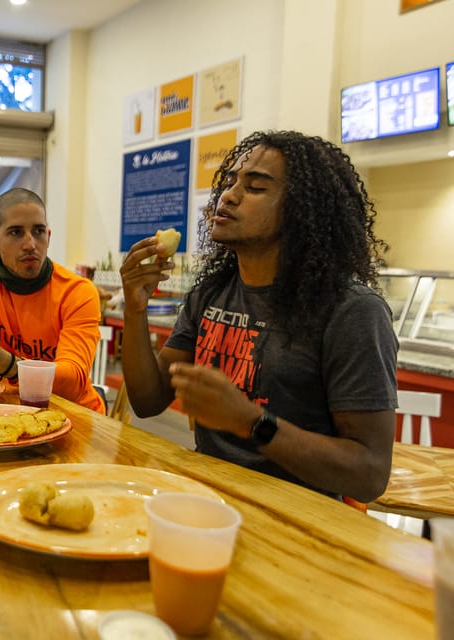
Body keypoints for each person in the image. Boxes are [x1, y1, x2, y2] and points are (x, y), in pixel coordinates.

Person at [119, 130, 397, 503]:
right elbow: (149, 401)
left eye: (255, 187)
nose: (228, 195)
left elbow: (369, 474)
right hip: (208, 500)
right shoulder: (212, 293)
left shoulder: (351, 311)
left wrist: (251, 422)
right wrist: (135, 308)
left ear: (300, 212)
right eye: (231, 181)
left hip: (297, 520)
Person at [0, 188, 106, 413]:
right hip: (9, 408)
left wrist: (6, 363)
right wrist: (38, 372)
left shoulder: (78, 291)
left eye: (38, 231)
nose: (30, 244)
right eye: (16, 232)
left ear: (48, 237)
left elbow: (72, 384)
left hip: (74, 413)